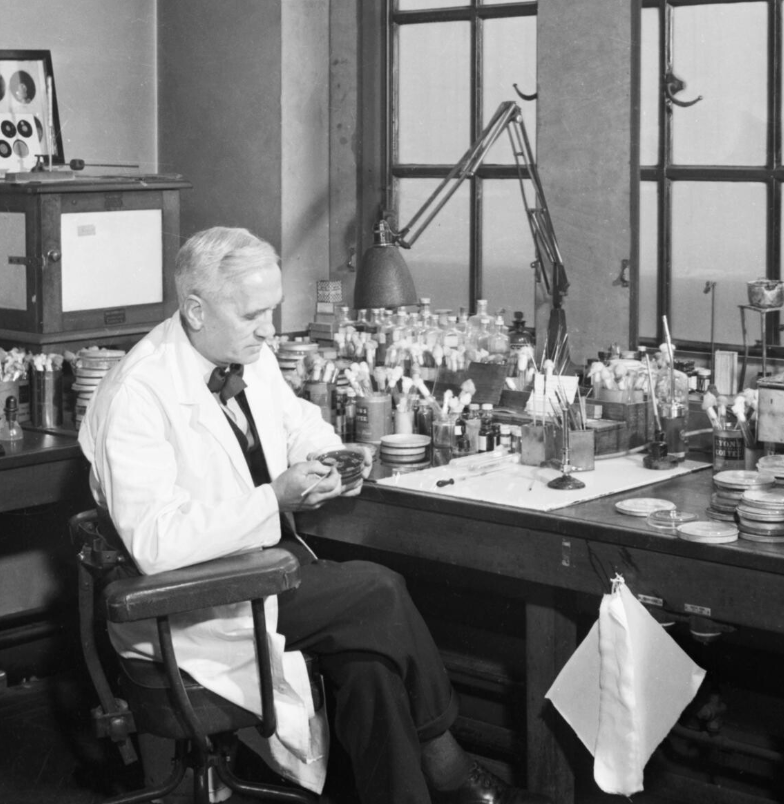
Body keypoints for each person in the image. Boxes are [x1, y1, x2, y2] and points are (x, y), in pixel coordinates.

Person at [78, 226, 552, 804]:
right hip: (189, 602)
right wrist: (274, 498)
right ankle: (448, 765)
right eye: (253, 314)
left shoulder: (242, 352)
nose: (269, 329)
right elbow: (157, 544)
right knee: (379, 591)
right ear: (196, 310)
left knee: (370, 662)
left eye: (272, 311)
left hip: (258, 570)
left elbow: (297, 421)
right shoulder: (137, 393)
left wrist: (333, 455)